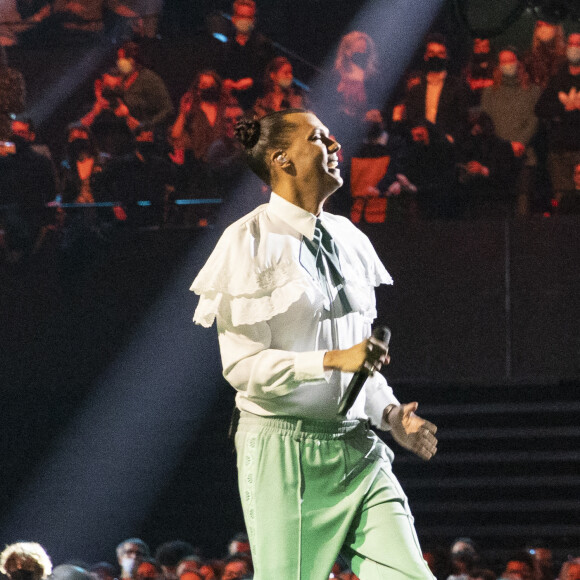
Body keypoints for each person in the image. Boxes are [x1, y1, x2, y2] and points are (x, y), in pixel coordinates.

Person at [190, 109, 438, 579]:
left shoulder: (349, 237)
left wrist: (389, 413)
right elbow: (242, 367)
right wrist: (329, 360)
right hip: (285, 456)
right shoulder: (246, 242)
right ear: (283, 159)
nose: (336, 147)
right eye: (320, 139)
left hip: (357, 447)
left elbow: (360, 360)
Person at [480, 48, 541, 215]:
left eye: (511, 61)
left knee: (523, 208)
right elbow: (486, 123)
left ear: (518, 63)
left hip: (524, 157)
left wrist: (520, 142)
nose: (508, 65)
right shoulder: (489, 93)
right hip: (498, 160)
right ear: (498, 66)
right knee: (499, 210)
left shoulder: (533, 91)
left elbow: (535, 120)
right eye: (504, 62)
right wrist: (505, 147)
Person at [534, 32, 580, 204]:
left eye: (578, 44)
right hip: (559, 151)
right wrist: (564, 108)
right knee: (563, 204)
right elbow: (540, 108)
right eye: (572, 44)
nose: (575, 48)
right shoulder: (558, 78)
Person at [404, 33, 470, 145]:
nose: (436, 57)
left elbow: (463, 119)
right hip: (419, 146)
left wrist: (450, 139)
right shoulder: (415, 88)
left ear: (447, 57)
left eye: (440, 53)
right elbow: (411, 117)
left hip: (446, 147)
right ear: (425, 56)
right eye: (432, 53)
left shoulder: (458, 86)